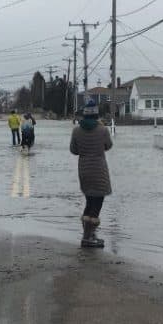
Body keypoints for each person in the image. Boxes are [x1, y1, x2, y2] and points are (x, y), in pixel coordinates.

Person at [70, 99, 112, 248]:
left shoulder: (76, 130)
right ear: (96, 115)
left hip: (84, 170)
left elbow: (73, 150)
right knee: (97, 203)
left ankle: (89, 235)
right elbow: (108, 145)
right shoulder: (103, 130)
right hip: (99, 170)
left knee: (89, 201)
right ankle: (88, 237)